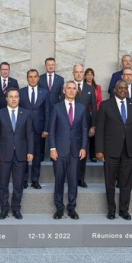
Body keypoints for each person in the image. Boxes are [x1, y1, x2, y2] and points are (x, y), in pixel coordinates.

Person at [96, 80, 132, 220]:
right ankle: (111, 210)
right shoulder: (106, 105)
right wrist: (99, 150)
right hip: (111, 150)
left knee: (127, 182)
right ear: (114, 90)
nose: (123, 90)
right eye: (120, 88)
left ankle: (124, 210)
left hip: (129, 150)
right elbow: (100, 130)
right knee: (110, 182)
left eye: (125, 88)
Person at [0, 88, 34, 220]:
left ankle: (16, 208)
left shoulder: (26, 113)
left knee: (18, 183)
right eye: (11, 96)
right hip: (4, 154)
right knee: (3, 183)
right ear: (6, 99)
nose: (14, 99)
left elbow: (30, 134)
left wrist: (30, 151)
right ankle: (4, 208)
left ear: (19, 98)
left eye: (16, 96)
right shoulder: (0, 114)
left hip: (21, 154)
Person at [49, 81, 88, 220]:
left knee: (73, 181)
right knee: (59, 180)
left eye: (74, 89)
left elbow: (84, 130)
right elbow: (52, 130)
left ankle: (71, 208)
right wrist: (52, 148)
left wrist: (84, 147)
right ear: (64, 91)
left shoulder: (82, 108)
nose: (71, 91)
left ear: (76, 91)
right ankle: (59, 208)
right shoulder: (56, 107)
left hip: (76, 151)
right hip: (59, 151)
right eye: (69, 88)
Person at [67, 64, 97, 188]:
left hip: (85, 126)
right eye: (76, 72)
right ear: (73, 73)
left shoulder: (89, 89)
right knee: (69, 152)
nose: (79, 74)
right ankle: (70, 177)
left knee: (82, 153)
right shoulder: (68, 87)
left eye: (81, 72)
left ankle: (80, 178)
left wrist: (93, 126)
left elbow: (94, 109)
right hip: (70, 125)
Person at [19, 69, 50, 189]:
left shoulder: (44, 93)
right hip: (23, 129)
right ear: (27, 78)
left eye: (35, 76)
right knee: (23, 155)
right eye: (30, 76)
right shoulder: (21, 92)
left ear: (38, 78)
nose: (32, 79)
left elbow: (47, 112)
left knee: (37, 155)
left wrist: (46, 128)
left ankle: (35, 180)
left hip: (39, 129)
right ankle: (24, 179)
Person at [38, 57, 65, 162]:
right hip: (42, 109)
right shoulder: (40, 78)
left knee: (54, 131)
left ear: (55, 65)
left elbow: (62, 96)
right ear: (45, 66)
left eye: (52, 64)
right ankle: (40, 155)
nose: (50, 66)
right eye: (48, 64)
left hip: (55, 109)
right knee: (42, 131)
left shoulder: (60, 79)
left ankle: (54, 153)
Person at [84, 68, 101, 163]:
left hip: (94, 113)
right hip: (85, 113)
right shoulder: (82, 86)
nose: (89, 76)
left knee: (93, 134)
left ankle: (93, 155)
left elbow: (99, 101)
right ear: (85, 76)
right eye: (88, 74)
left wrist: (93, 111)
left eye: (91, 74)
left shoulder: (97, 87)